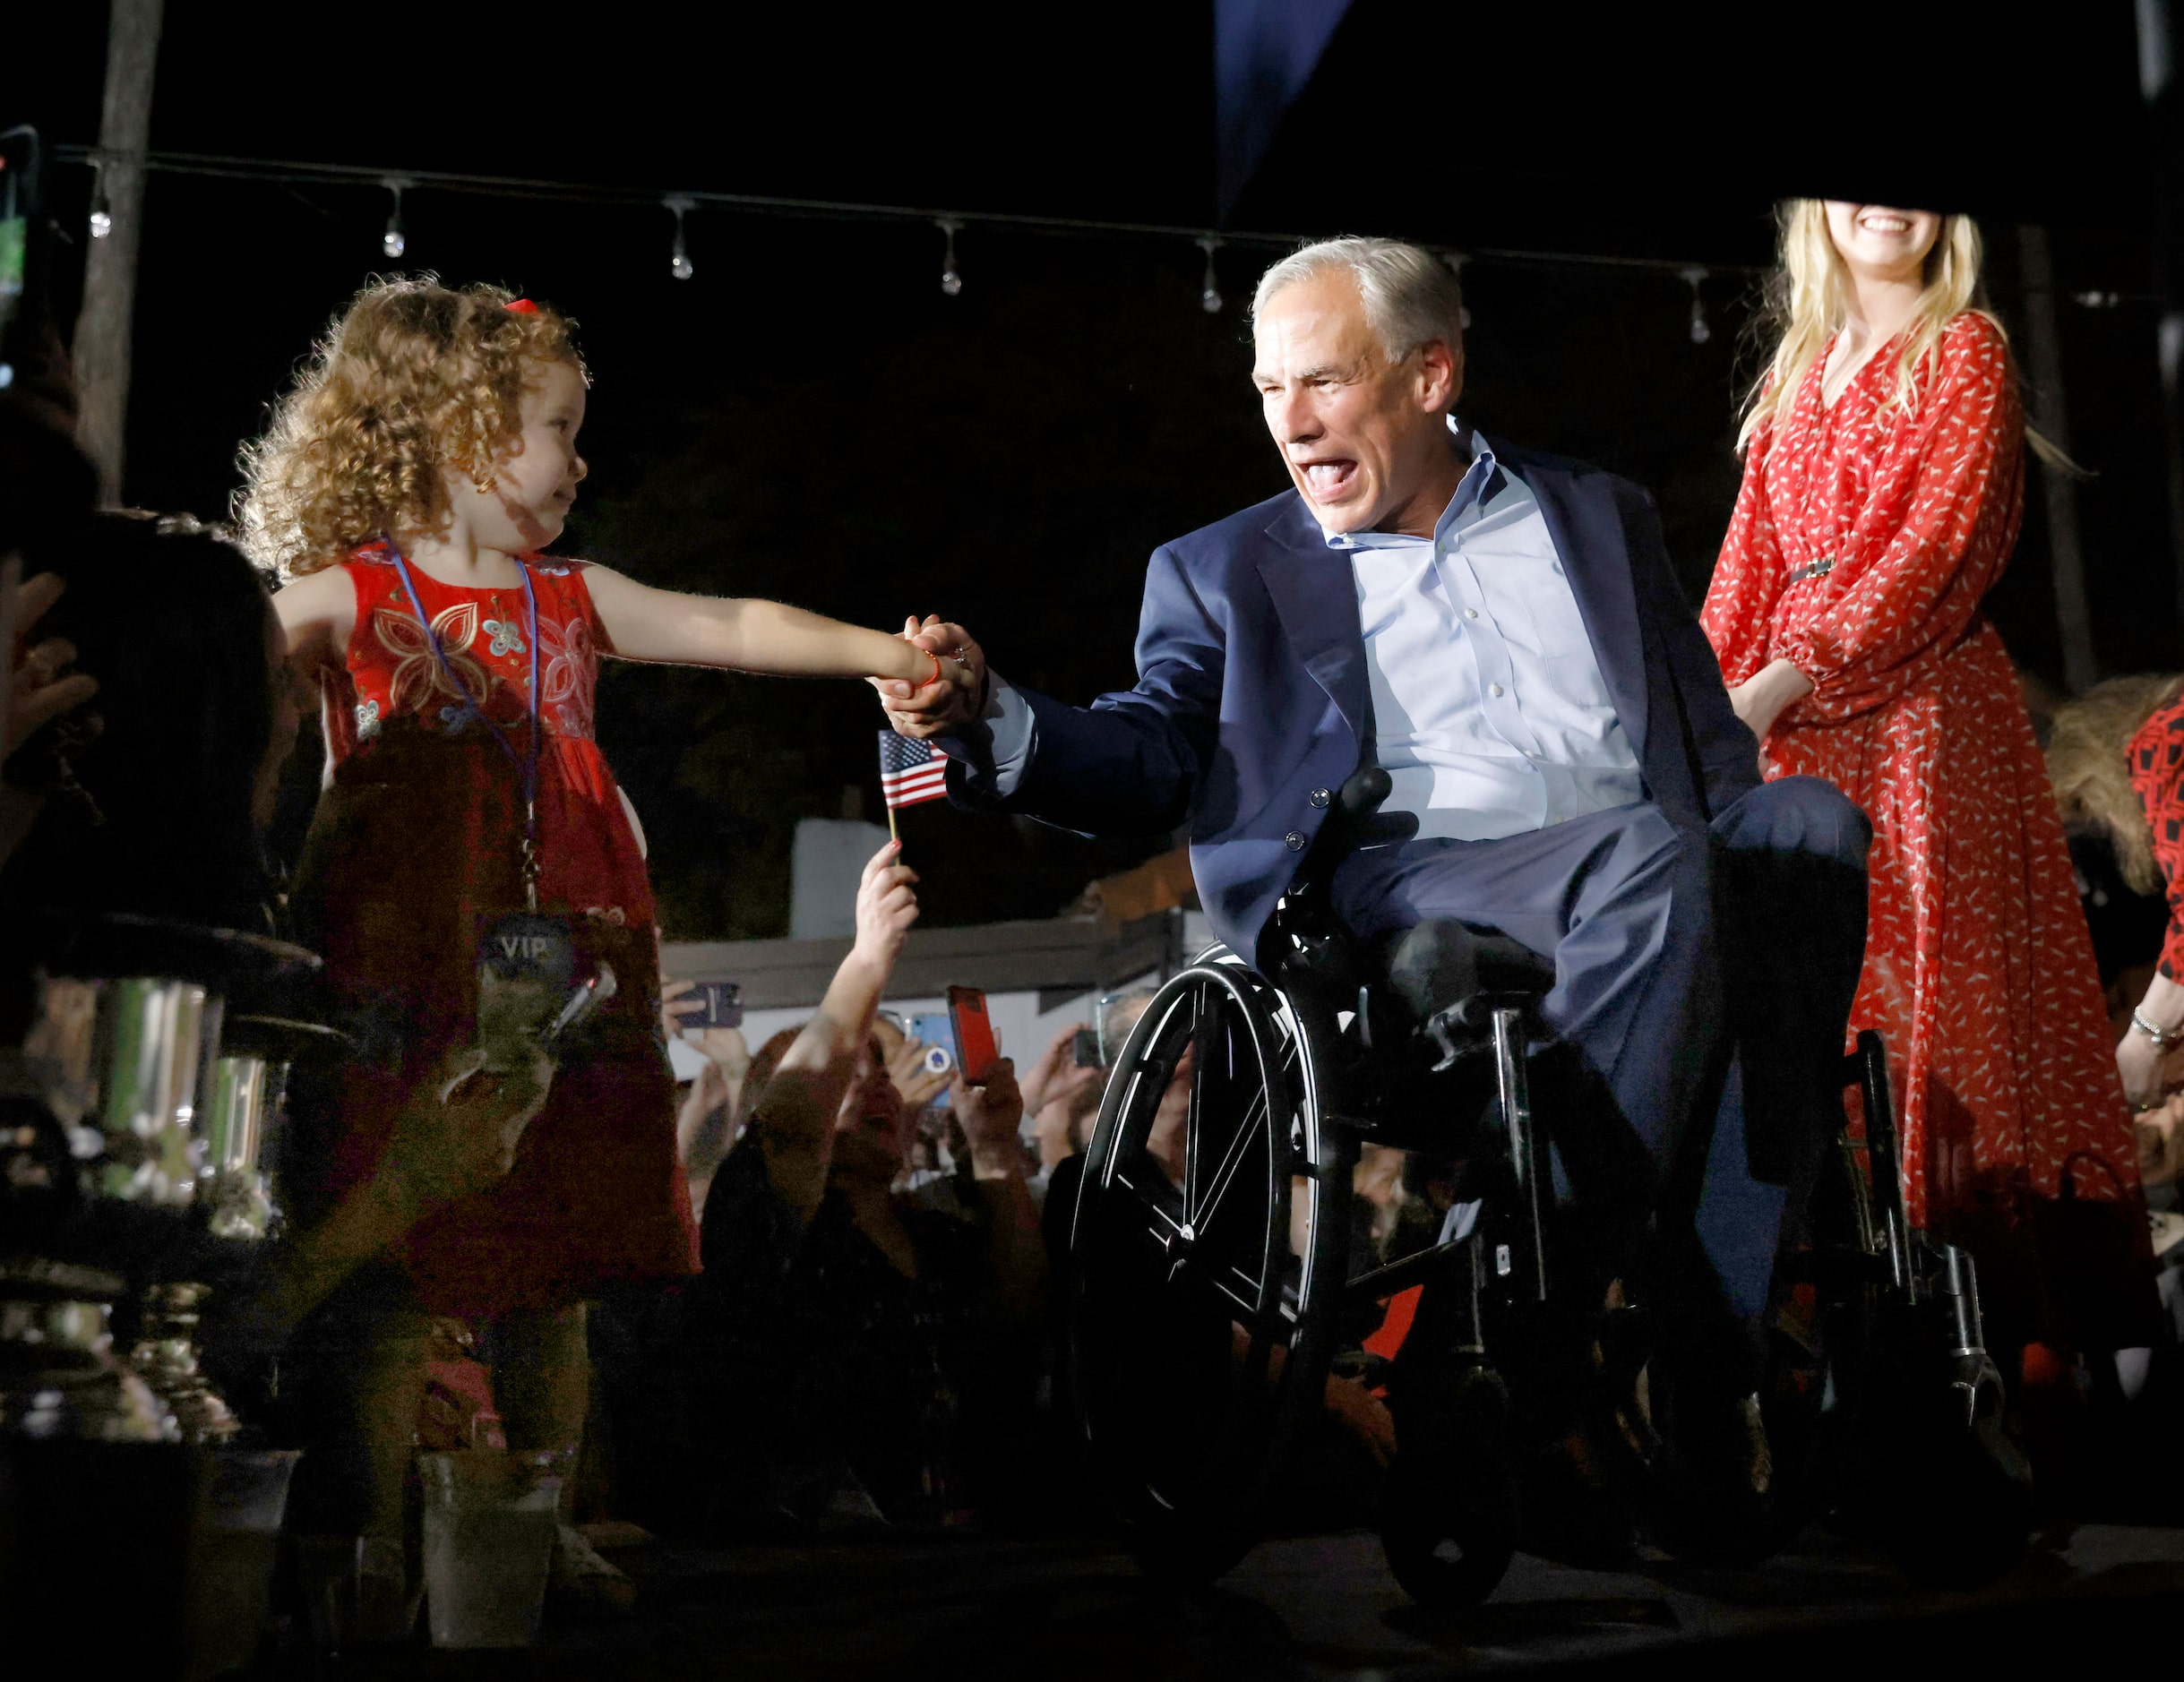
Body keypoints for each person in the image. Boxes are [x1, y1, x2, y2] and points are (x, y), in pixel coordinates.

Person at [881, 236, 1870, 1495]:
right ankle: (1562, 1319)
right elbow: (1146, 754)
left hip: (1641, 859)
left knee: (1805, 830)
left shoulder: (1595, 513)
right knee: (1657, 863)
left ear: (1428, 376)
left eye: (1322, 383)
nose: (1288, 423)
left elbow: (1706, 749)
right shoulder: (1221, 568)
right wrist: (989, 716)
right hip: (1400, 878)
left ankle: (1685, 1326)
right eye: (1267, 389)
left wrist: (1746, 856)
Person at [242, 280, 972, 1537]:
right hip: (407, 965)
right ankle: (366, 1557)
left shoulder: (570, 597)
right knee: (398, 1278)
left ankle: (535, 1532)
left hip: (568, 963)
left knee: (557, 1274)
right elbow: (220, 650)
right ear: (461, 429)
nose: (581, 460)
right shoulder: (351, 596)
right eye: (559, 429)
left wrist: (884, 652)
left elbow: (728, 624)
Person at [1699, 202, 2145, 1349]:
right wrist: (1709, 706)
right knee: (1814, 1010)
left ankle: (1959, 1338)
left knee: (1930, 1016)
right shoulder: (1795, 373)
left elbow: (1934, 552)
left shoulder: (1964, 350)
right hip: (1792, 729)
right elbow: (1741, 569)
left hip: (1918, 726)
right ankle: (1822, 1331)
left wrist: (1784, 680)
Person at [687, 842, 1048, 1529]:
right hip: (829, 1567)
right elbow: (793, 1129)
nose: (876, 1084)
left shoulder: (936, 1232)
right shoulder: (770, 1239)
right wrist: (868, 959)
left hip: (977, 1551)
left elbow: (1019, 1314)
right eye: (849, 1073)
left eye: (881, 1072)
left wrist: (996, 1149)